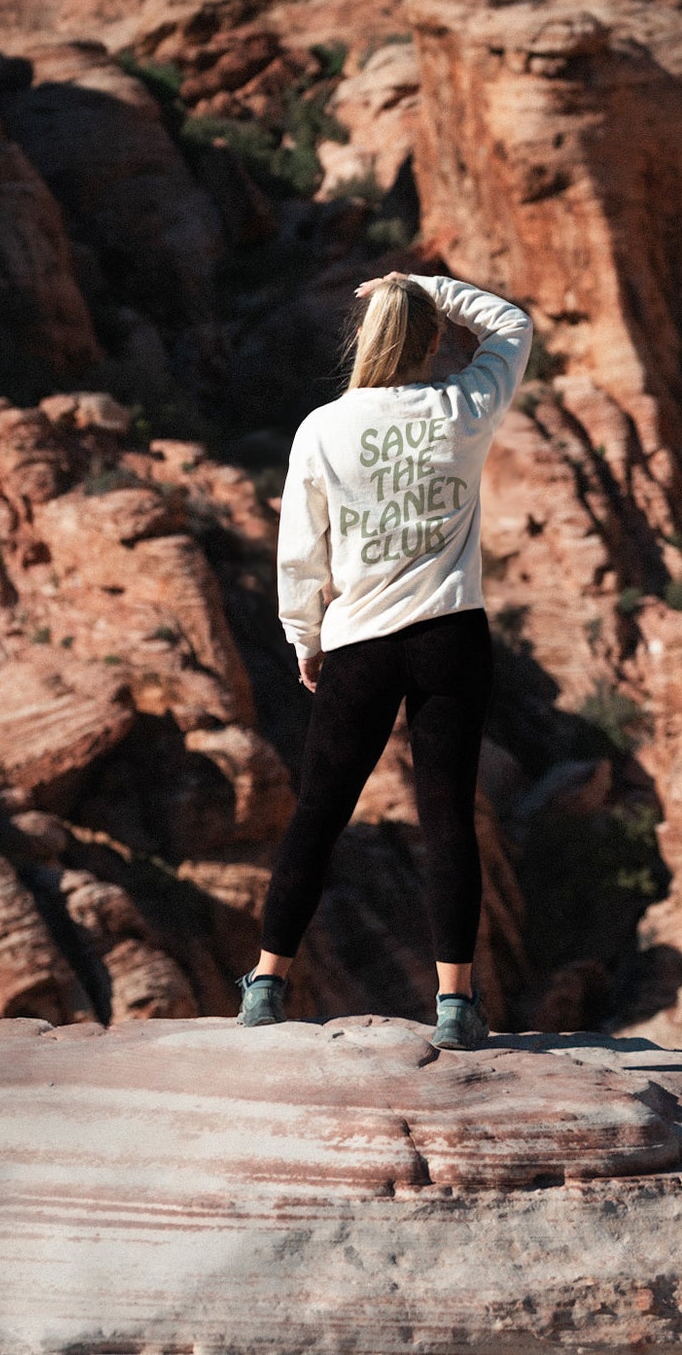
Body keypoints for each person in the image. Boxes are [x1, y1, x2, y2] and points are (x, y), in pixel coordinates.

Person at [238, 270, 533, 1049]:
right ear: (433, 340)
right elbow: (509, 325)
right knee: (447, 819)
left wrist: (303, 636)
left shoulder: (322, 428)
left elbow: (299, 551)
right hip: (448, 635)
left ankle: (267, 983)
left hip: (358, 642)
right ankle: (455, 1004)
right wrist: (429, 284)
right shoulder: (462, 407)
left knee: (319, 813)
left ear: (365, 339)